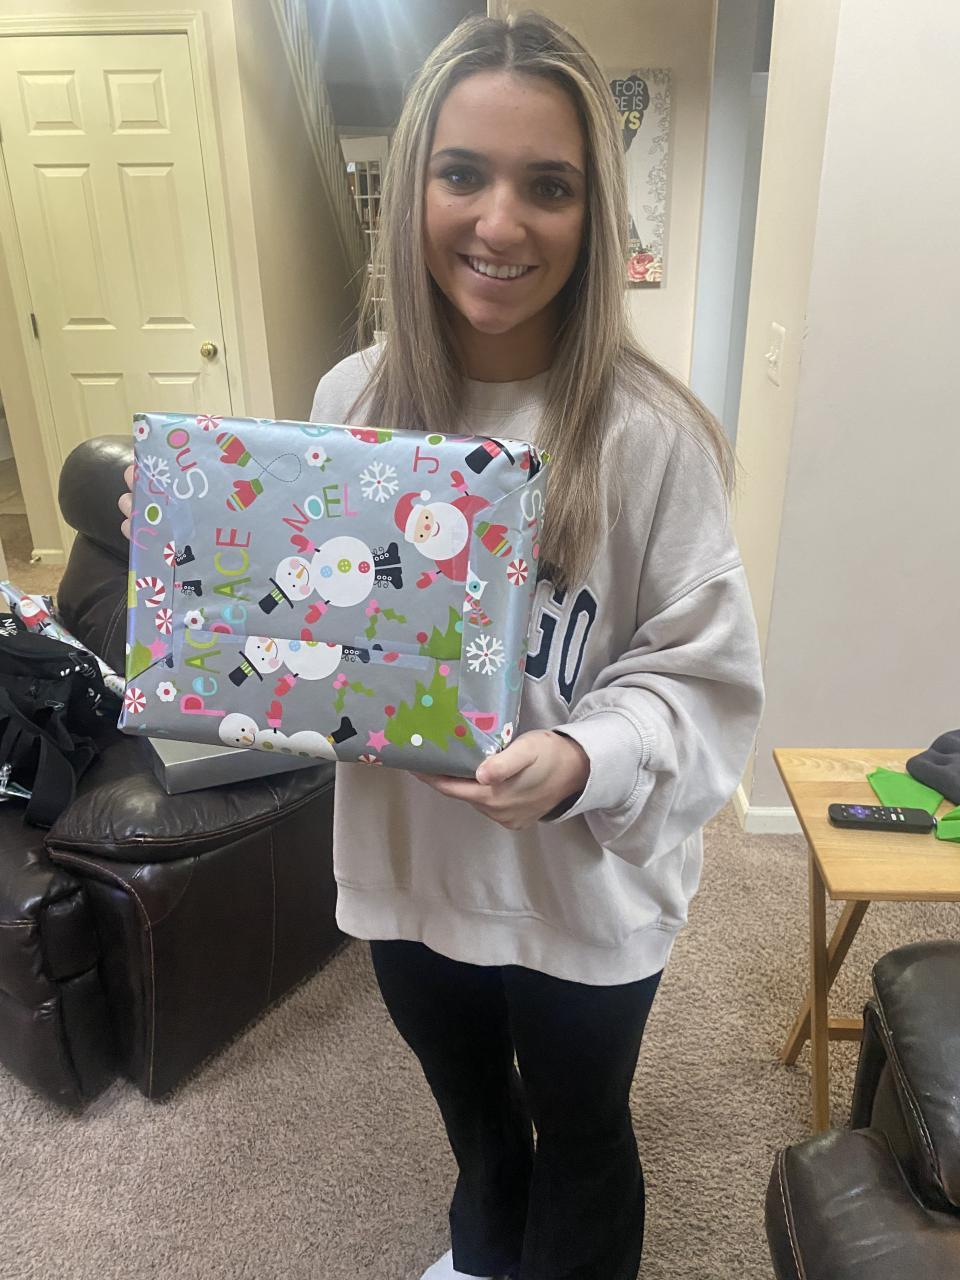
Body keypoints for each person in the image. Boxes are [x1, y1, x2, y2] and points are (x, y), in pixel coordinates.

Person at [120, 12, 764, 1279]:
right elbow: (309, 632)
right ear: (414, 183)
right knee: (475, 1123)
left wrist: (584, 756)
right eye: (463, 172)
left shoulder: (654, 436)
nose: (500, 222)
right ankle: (479, 1252)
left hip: (583, 887)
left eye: (549, 185)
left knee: (583, 1134)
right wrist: (210, 594)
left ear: (594, 212)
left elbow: (703, 679)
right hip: (410, 872)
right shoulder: (352, 401)